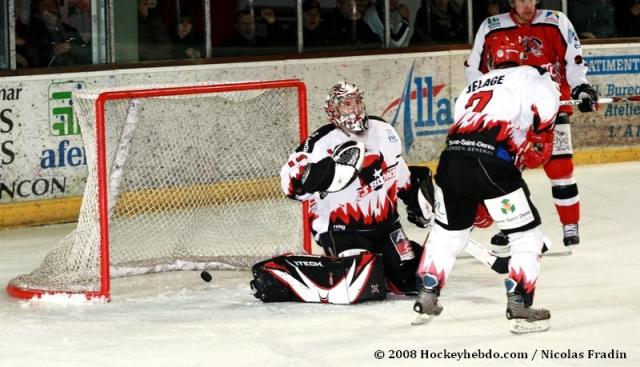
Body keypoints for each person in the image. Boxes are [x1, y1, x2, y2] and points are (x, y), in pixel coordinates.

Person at [413, 35, 559, 334]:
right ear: (520, 57)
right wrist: (543, 134)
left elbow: (462, 125)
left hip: (452, 163)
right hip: (492, 164)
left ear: (490, 61)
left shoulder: (470, 87)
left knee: (447, 234)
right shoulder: (530, 73)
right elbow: (547, 103)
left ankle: (427, 295)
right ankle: (519, 305)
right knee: (526, 238)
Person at [465, 0, 598, 249]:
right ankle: (513, 225)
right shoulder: (491, 26)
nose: (528, 5)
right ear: (511, 1)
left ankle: (570, 224)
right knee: (506, 172)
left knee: (560, 167)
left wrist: (580, 86)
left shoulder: (556, 20)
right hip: (511, 112)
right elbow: (474, 68)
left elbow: (574, 59)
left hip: (550, 106)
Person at [279, 81, 434, 294]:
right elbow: (289, 184)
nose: (354, 109)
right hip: (342, 229)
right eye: (346, 104)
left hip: (387, 227)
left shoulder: (384, 130)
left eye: (357, 102)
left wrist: (416, 198)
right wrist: (312, 176)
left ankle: (391, 265)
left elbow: (399, 173)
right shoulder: (321, 142)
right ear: (333, 110)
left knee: (413, 282)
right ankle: (297, 272)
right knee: (362, 285)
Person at [27, 0, 91, 67]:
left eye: (53, 4)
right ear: (37, 14)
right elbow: (34, 58)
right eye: (44, 5)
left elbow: (84, 52)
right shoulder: (33, 33)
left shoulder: (70, 29)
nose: (50, 8)